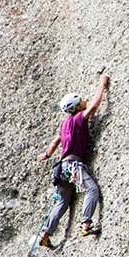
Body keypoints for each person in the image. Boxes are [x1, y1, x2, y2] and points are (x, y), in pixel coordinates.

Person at [38, 72, 109, 247]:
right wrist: (102, 85)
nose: (85, 100)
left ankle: (46, 234)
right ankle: (86, 224)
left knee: (63, 202)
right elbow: (94, 106)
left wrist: (46, 154)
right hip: (74, 166)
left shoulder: (64, 124)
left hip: (62, 167)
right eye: (81, 101)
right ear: (77, 107)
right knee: (92, 190)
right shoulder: (78, 118)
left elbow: (55, 142)